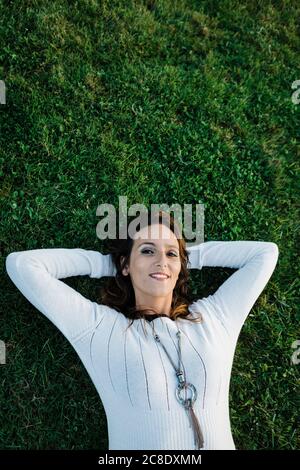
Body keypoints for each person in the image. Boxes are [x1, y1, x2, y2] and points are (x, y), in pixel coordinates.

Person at [5, 210, 279, 450]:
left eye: (170, 252)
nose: (161, 260)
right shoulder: (102, 330)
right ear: (125, 264)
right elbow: (23, 265)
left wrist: (183, 258)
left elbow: (265, 253)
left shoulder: (214, 318)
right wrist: (108, 264)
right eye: (147, 251)